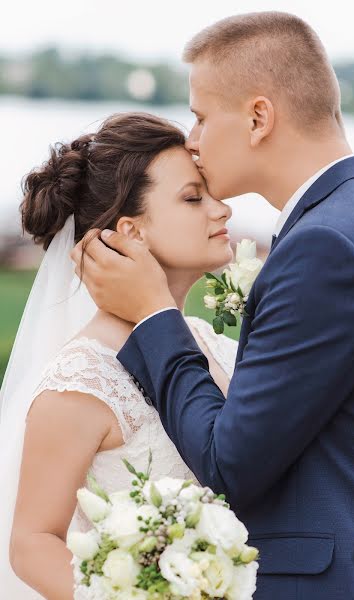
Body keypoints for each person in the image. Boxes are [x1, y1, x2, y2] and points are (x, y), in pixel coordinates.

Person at [72, 12, 354, 600]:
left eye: (199, 116)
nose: (191, 140)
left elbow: (230, 467)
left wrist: (152, 315)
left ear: (257, 117)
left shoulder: (325, 248)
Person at [0, 112, 238, 599]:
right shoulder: (81, 381)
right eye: (194, 198)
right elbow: (31, 543)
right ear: (131, 232)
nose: (223, 210)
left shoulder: (216, 344)